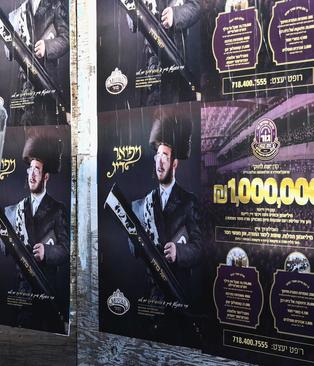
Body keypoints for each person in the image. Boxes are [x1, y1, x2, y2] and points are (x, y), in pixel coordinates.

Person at [129, 115, 203, 344]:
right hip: (150, 298)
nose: (160, 162)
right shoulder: (142, 204)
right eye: (158, 156)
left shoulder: (189, 202)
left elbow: (199, 248)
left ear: (175, 163)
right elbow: (133, 250)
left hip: (179, 296)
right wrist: (135, 238)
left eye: (166, 156)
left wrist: (179, 252)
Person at [2, 132, 69, 333]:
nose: (31, 175)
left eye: (37, 170)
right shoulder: (14, 211)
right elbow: (4, 248)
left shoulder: (58, 209)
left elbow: (66, 250)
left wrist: (46, 253)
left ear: (45, 177)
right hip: (20, 294)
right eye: (30, 169)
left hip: (46, 294)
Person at [6, 0, 69, 125]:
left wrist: (47, 46)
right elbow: (9, 54)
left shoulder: (55, 5)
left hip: (47, 79)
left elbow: (67, 38)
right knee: (23, 131)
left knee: (48, 128)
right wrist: (10, 44)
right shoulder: (17, 12)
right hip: (23, 84)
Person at [127, 0, 201, 106]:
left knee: (177, 110)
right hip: (149, 61)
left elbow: (195, 6)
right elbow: (131, 20)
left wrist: (175, 15)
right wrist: (138, 8)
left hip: (175, 55)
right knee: (150, 111)